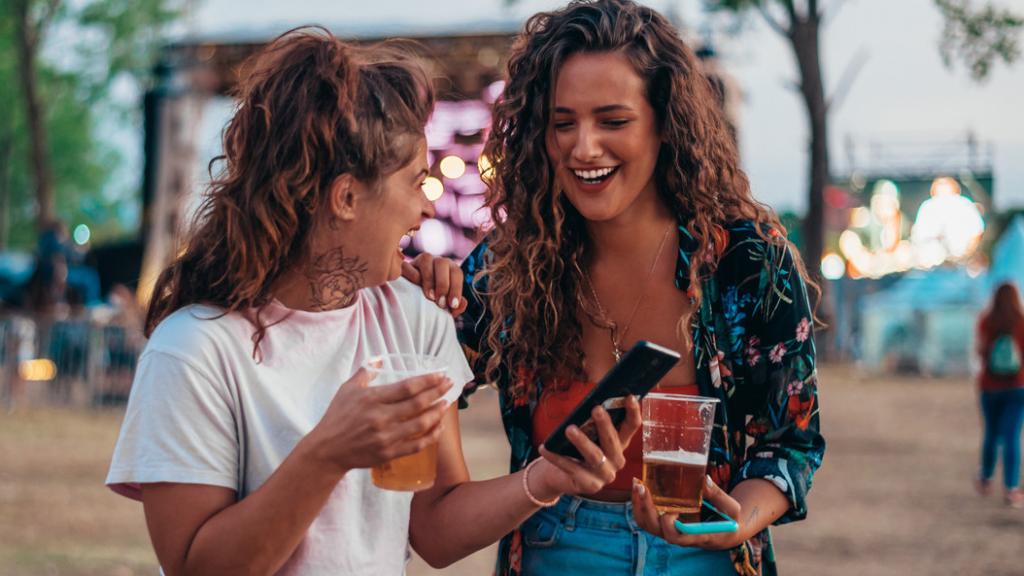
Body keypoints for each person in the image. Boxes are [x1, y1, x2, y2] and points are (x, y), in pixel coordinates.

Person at [105, 27, 641, 575]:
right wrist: (328, 453)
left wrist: (547, 479)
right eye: (415, 182)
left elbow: (434, 528)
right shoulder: (194, 351)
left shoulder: (413, 320)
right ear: (345, 198)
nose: (427, 209)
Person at [406, 1, 825, 574]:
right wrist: (420, 307)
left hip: (708, 557)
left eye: (612, 121)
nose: (583, 148)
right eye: (562, 123)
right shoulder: (506, 268)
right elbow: (422, 395)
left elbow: (792, 443)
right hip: (556, 549)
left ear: (664, 123)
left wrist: (737, 522)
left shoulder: (748, 261)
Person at [973, 281, 1024, 508]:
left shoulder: (986, 321)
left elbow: (980, 352)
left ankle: (985, 479)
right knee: (1012, 436)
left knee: (992, 434)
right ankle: (1012, 489)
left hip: (990, 387)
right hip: (1017, 387)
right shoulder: (1021, 322)